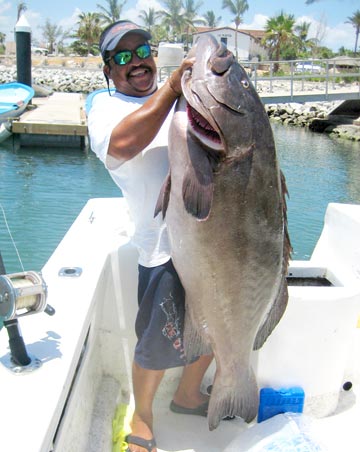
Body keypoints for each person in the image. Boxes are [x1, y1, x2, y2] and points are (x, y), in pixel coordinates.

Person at [88, 20, 213, 452]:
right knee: (159, 342)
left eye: (142, 50)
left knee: (218, 327)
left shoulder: (184, 99)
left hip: (212, 241)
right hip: (164, 249)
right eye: (122, 57)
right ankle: (141, 417)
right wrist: (173, 90)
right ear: (108, 71)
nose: (136, 62)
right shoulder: (106, 108)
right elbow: (121, 146)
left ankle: (188, 395)